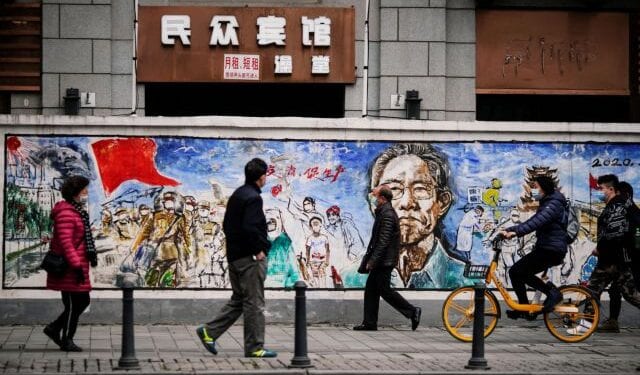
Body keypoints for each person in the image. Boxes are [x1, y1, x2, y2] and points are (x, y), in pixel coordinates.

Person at [196, 158, 276, 358]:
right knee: (254, 303)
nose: (266, 178)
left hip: (235, 256)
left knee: (239, 299)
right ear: (261, 177)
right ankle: (255, 347)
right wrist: (259, 250)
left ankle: (209, 331)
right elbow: (251, 227)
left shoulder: (239, 194)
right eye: (266, 174)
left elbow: (228, 225)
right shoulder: (253, 198)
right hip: (249, 259)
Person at [370, 143, 466, 288]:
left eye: (420, 189)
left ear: (442, 202)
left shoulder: (465, 280)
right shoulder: (350, 278)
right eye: (393, 189)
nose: (407, 202)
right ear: (375, 203)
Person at [354, 185, 421, 331]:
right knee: (372, 290)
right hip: (382, 260)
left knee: (385, 291)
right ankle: (369, 323)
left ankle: (412, 311)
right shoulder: (383, 212)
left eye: (375, 195)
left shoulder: (387, 215)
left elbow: (383, 241)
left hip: (384, 261)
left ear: (382, 198)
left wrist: (372, 261)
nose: (372, 196)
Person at [43, 175, 98, 352]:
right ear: (75, 192)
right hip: (70, 268)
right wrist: (77, 266)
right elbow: (66, 243)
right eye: (84, 189)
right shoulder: (66, 213)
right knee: (76, 304)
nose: (86, 192)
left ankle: (54, 329)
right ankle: (66, 339)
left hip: (76, 266)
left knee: (79, 303)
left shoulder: (76, 211)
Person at [500, 175, 567, 319]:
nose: (533, 190)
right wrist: (509, 229)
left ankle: (552, 293)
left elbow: (536, 222)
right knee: (518, 272)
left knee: (516, 271)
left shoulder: (553, 203)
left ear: (544, 186)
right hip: (546, 248)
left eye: (536, 186)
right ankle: (524, 308)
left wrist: (515, 232)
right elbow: (532, 221)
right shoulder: (548, 202)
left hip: (551, 250)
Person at [580, 176, 640, 335]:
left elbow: (614, 233)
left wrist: (600, 249)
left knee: (594, 290)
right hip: (615, 259)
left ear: (611, 189)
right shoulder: (620, 205)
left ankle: (585, 326)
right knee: (627, 294)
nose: (600, 192)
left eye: (601, 189)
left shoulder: (617, 207)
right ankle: (587, 325)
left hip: (613, 259)